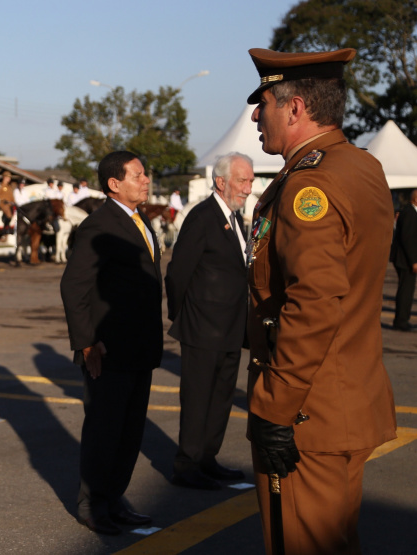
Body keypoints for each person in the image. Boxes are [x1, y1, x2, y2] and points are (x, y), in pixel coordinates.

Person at [245, 47, 397, 555]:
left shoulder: (309, 183)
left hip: (308, 414)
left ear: (294, 109)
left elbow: (314, 303)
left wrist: (275, 408)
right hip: (348, 401)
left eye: (262, 103)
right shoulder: (361, 166)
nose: (254, 116)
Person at [60, 151, 161, 536]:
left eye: (144, 173)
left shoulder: (139, 220)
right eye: (138, 175)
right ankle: (93, 505)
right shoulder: (98, 226)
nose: (146, 180)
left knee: (129, 432)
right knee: (105, 431)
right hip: (109, 351)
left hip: (140, 348)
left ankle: (115, 500)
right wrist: (87, 342)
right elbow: (74, 286)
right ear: (114, 184)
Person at [166, 152, 254, 490]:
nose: (248, 188)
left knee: (221, 399)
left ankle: (207, 458)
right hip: (203, 328)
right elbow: (177, 274)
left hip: (231, 327)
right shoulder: (202, 217)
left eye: (249, 181)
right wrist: (184, 316)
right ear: (221, 182)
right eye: (242, 181)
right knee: (199, 397)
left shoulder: (233, 217)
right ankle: (187, 465)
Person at [392, 189, 417, 331]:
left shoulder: (409, 212)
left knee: (406, 290)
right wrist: (413, 261)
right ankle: (401, 321)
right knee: (405, 291)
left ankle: (402, 319)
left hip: (405, 258)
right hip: (405, 260)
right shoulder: (410, 214)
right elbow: (408, 239)